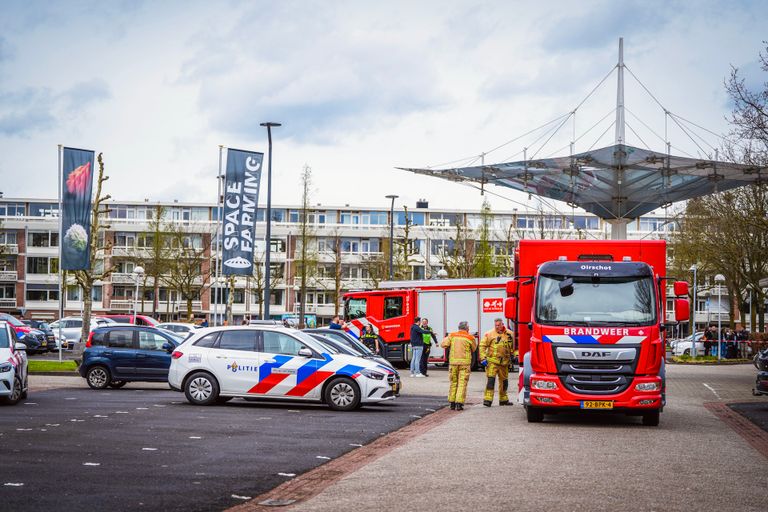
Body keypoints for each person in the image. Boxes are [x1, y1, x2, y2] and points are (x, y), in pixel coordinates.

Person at [441, 321, 477, 410]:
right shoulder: (470, 337)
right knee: (462, 383)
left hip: (453, 363)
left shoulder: (452, 335)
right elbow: (474, 348)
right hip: (465, 364)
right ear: (467, 328)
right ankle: (459, 403)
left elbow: (443, 344)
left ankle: (452, 403)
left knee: (453, 383)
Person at [480, 318, 515, 407]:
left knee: (504, 382)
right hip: (492, 362)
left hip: (504, 363)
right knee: (491, 381)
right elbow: (482, 346)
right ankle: (488, 400)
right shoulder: (489, 334)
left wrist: (516, 355)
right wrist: (483, 358)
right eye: (495, 325)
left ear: (502, 324)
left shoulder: (509, 334)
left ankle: (503, 400)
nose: (497, 327)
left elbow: (514, 347)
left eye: (499, 325)